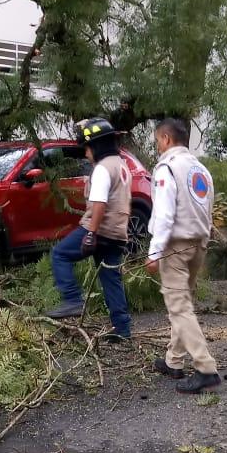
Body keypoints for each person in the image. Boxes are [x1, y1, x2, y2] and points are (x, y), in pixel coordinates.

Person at [146, 118, 223, 395]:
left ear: (166, 139)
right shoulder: (200, 169)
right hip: (198, 243)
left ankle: (205, 368)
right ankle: (174, 361)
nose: (157, 146)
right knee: (184, 304)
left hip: (175, 246)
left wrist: (154, 252)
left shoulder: (167, 167)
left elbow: (165, 213)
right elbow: (207, 207)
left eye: (157, 141)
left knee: (178, 307)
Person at [46, 118, 132, 341]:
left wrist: (91, 234)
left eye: (86, 148)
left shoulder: (103, 169)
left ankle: (73, 299)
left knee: (60, 254)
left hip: (99, 229)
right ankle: (122, 330)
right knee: (111, 277)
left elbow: (99, 204)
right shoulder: (122, 165)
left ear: (96, 146)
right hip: (117, 232)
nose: (85, 154)